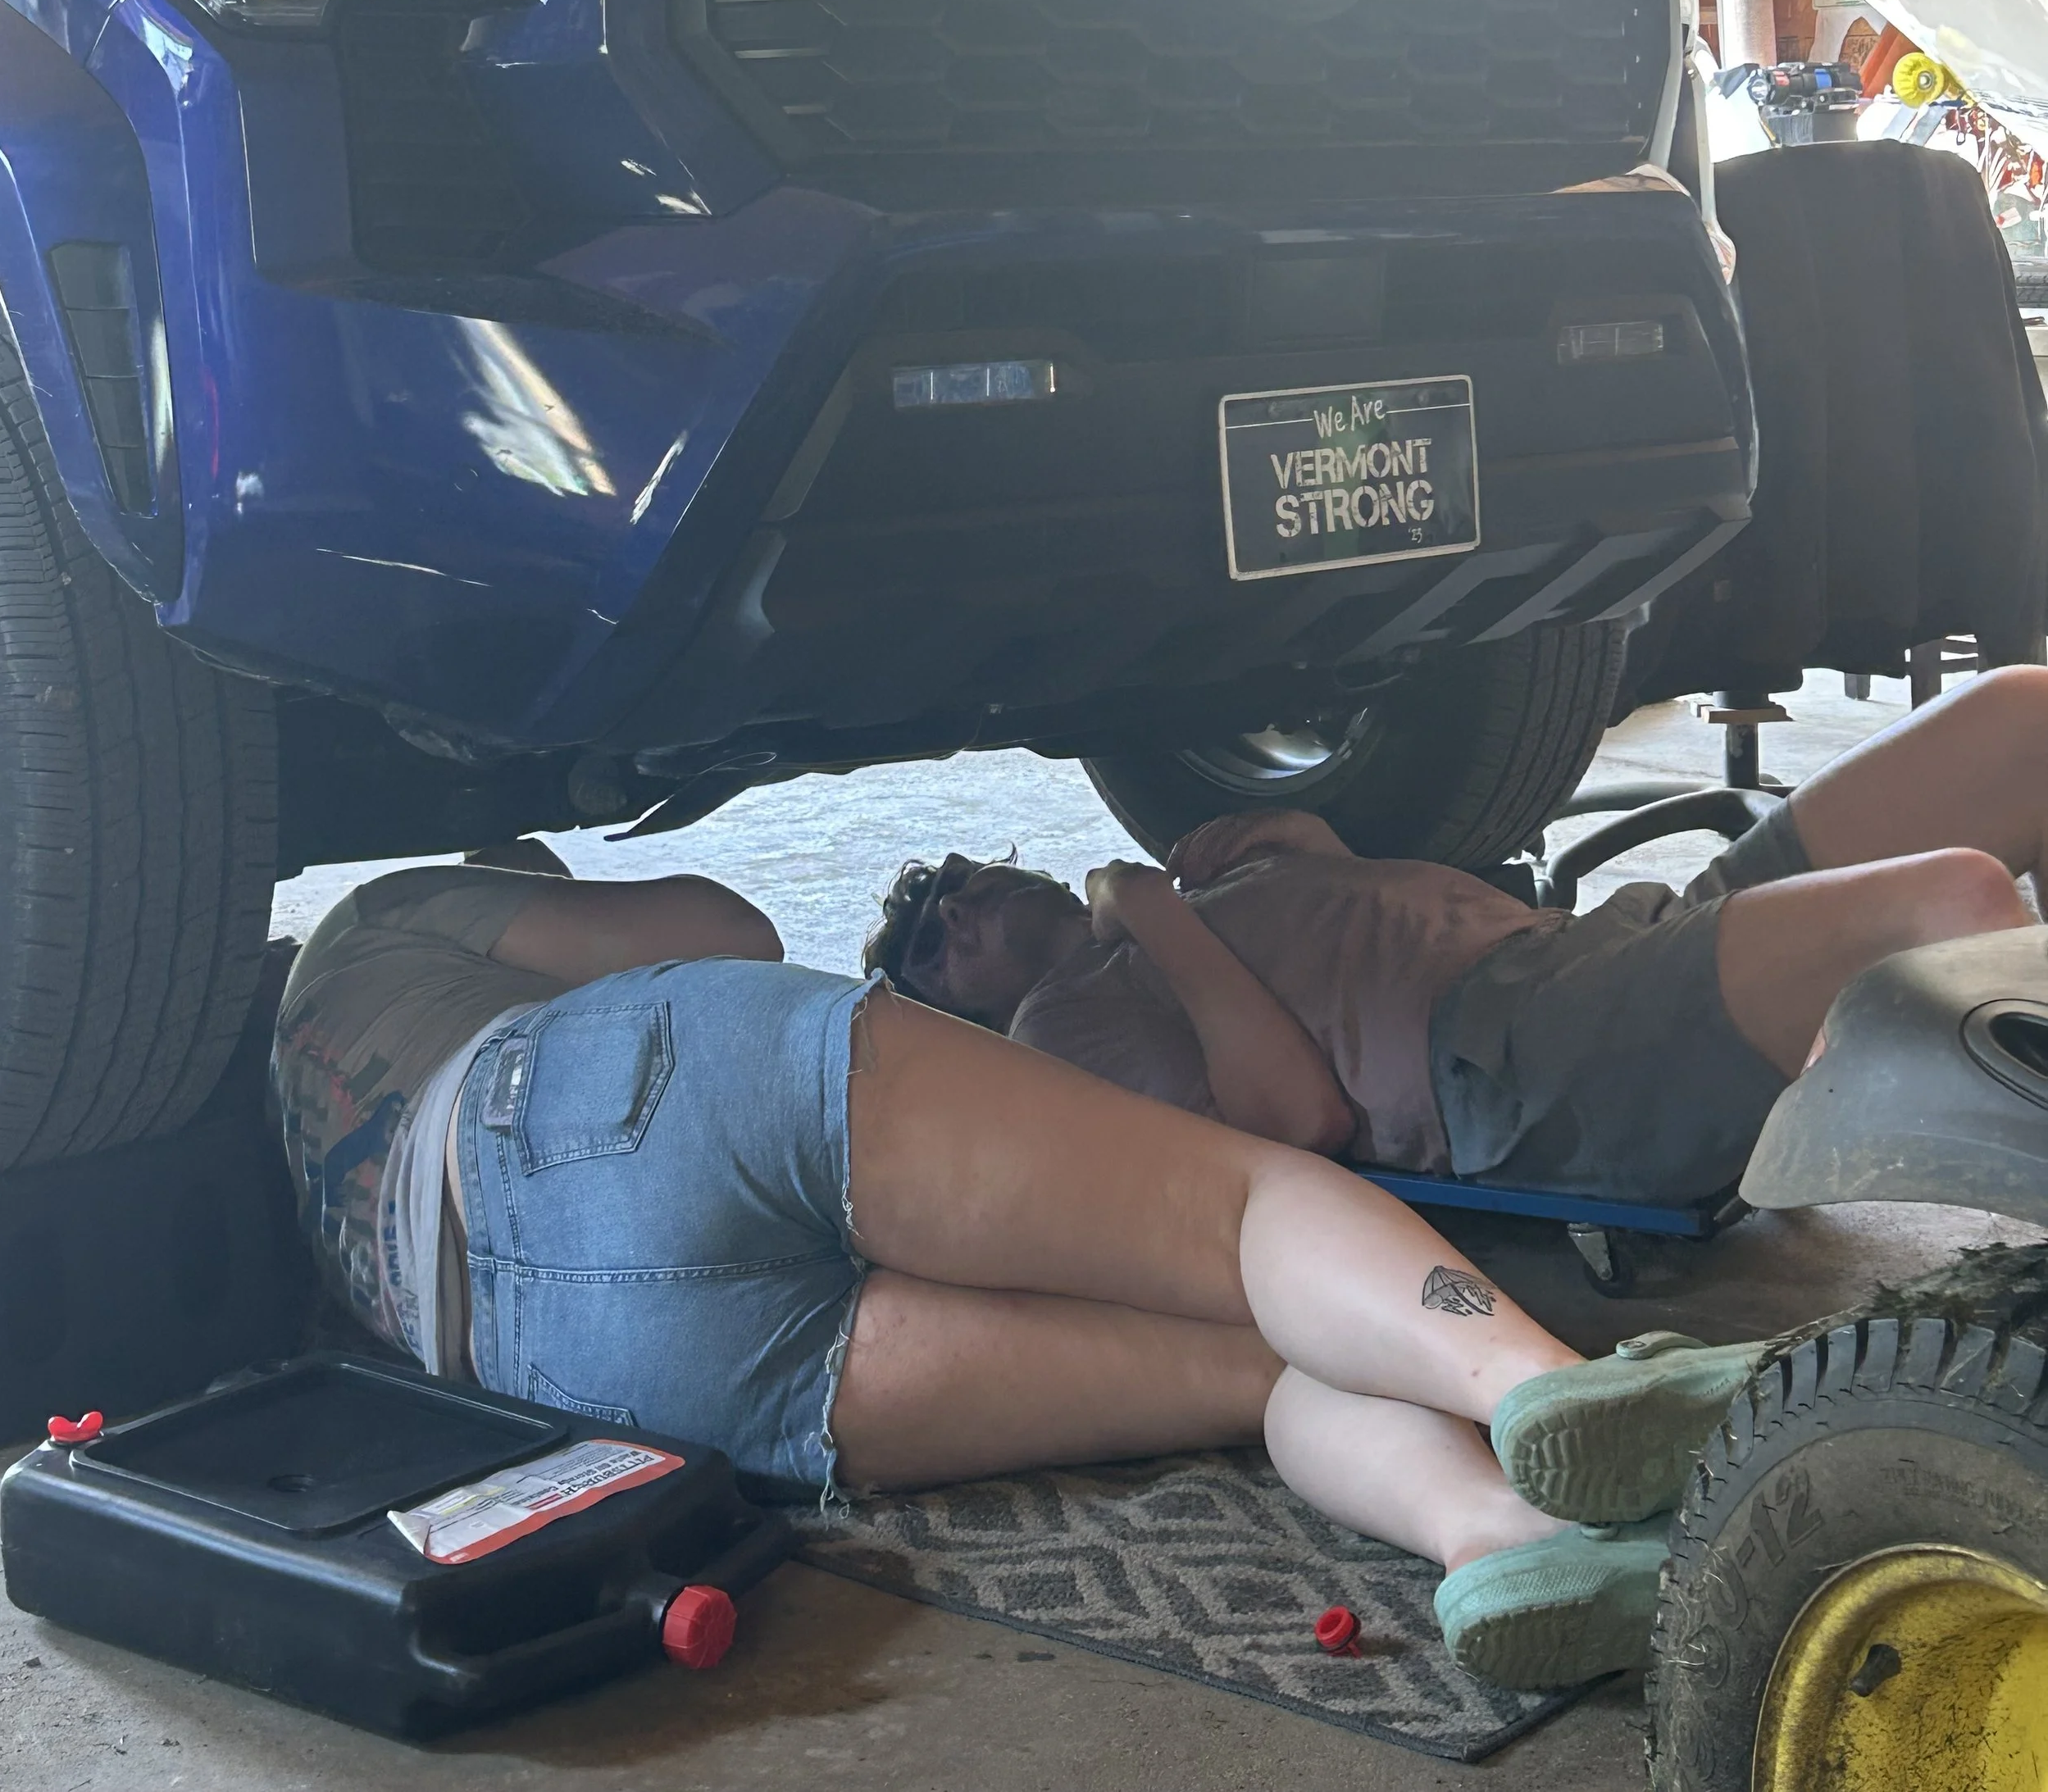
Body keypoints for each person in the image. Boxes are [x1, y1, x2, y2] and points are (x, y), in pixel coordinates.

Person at [272, 839, 1768, 1691]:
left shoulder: (302, 1111)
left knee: (1259, 1368)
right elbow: (722, 924)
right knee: (1251, 1214)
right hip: (596, 1102)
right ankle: (1542, 1391)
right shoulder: (381, 914)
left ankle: (1500, 1540)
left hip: (569, 1357)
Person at [862, 668, 2042, 1200]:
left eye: (957, 886)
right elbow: (1295, 1122)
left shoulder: (1183, 916)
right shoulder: (1056, 1029)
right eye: (935, 943)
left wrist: (1321, 858)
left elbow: (1374, 948)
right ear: (959, 1019)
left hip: (1599, 951)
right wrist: (1150, 911)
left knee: (2019, 718)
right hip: (1528, 1069)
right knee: (1956, 921)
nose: (958, 907)